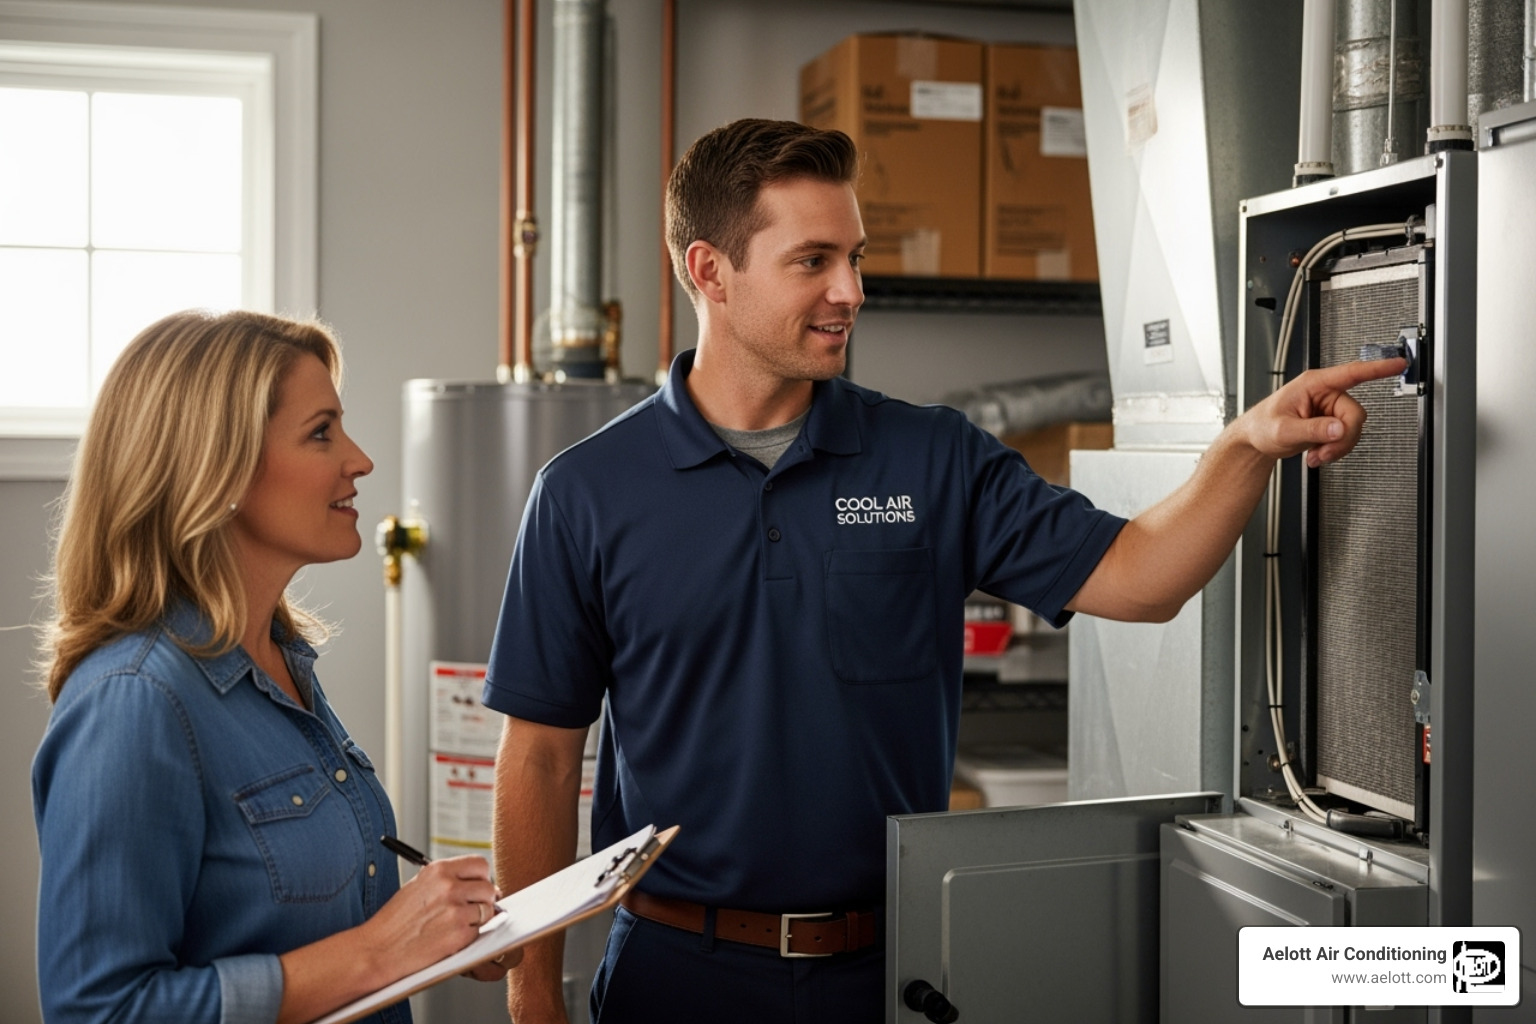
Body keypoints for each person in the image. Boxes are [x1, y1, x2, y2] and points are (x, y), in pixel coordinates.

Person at [482, 119, 1406, 1023]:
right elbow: (539, 756)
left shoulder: (931, 459)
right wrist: (532, 991)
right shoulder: (586, 494)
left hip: (890, 968)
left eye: (857, 256)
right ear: (710, 272)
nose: (851, 289)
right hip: (674, 972)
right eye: (813, 261)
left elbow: (1140, 576)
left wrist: (1245, 446)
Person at [32, 310, 516, 1024]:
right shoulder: (133, 701)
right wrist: (378, 954)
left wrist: (435, 929)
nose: (359, 459)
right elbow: (99, 1011)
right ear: (216, 467)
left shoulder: (278, 664)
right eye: (321, 432)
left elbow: (304, 926)